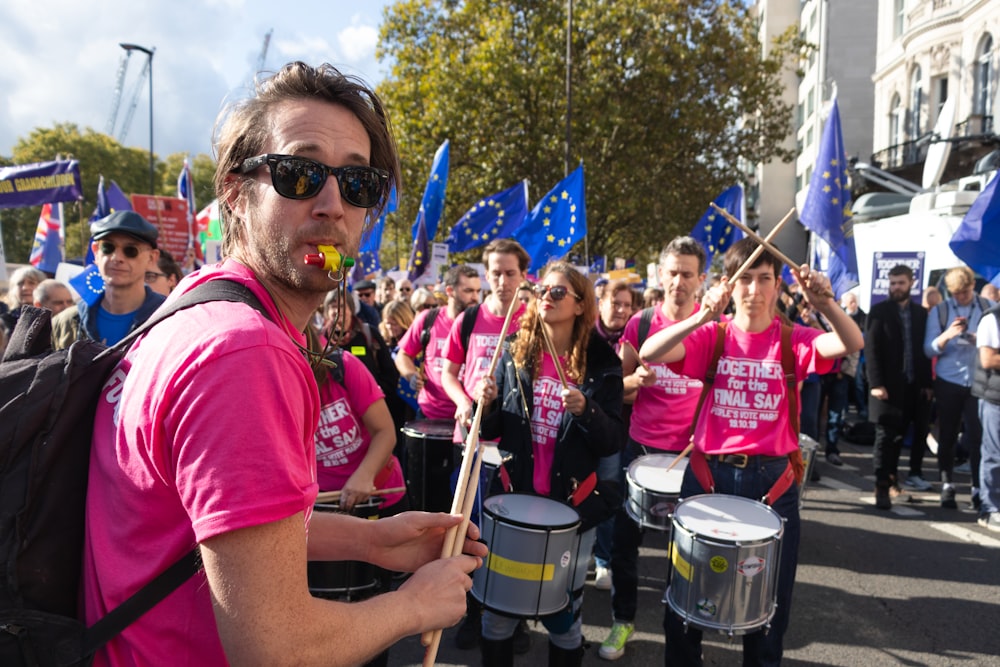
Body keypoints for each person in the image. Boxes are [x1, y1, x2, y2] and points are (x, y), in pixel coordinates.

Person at [81, 61, 485, 666]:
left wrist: (371, 540)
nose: (332, 206)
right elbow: (275, 650)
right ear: (235, 193)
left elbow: (217, 531)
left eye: (359, 185)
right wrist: (414, 607)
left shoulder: (199, 305)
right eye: (299, 173)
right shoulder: (246, 352)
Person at [640, 238, 863, 667]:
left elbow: (850, 342)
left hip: (772, 482)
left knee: (767, 612)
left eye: (765, 280)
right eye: (745, 280)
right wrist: (705, 312)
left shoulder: (792, 339)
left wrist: (826, 303)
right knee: (686, 601)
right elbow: (651, 352)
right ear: (729, 285)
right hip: (708, 479)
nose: (754, 291)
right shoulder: (713, 334)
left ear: (778, 286)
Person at [476, 261, 625, 667]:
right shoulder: (515, 351)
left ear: (580, 305)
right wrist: (485, 403)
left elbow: (612, 440)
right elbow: (492, 430)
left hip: (571, 508)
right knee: (499, 618)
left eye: (558, 292)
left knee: (565, 621)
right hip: (514, 504)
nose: (546, 296)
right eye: (542, 289)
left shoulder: (601, 361)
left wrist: (586, 410)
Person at [600, 237, 707, 661]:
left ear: (701, 279)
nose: (678, 281)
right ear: (660, 275)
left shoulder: (713, 327)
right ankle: (622, 621)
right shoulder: (641, 324)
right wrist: (631, 385)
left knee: (686, 553)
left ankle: (681, 632)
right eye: (672, 272)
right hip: (641, 452)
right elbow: (615, 389)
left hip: (694, 458)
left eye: (687, 273)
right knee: (626, 546)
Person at [440, 237, 529, 651]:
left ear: (523, 275)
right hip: (472, 439)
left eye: (510, 272)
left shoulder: (531, 321)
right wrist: (463, 401)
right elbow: (449, 372)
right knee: (469, 530)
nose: (502, 280)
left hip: (512, 442)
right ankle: (469, 612)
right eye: (495, 271)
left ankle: (515, 615)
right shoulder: (470, 319)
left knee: (510, 534)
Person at [924, 267, 994, 508]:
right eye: (955, 294)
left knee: (977, 436)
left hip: (977, 379)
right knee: (948, 434)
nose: (960, 298)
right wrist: (947, 335)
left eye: (963, 293)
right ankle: (947, 483)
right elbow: (929, 348)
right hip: (949, 379)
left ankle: (977, 487)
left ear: (972, 286)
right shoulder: (941, 310)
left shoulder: (987, 307)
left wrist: (978, 339)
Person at [866, 264, 934, 508]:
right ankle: (881, 485)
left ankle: (894, 481)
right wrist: (876, 383)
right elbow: (871, 349)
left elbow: (924, 351)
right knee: (885, 437)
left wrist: (927, 383)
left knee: (903, 435)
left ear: (911, 283)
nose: (896, 288)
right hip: (886, 387)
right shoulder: (879, 311)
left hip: (913, 386)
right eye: (892, 283)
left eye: (900, 283)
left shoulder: (921, 314)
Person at [51, 211, 166, 348]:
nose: (117, 258)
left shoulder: (169, 318)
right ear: (96, 252)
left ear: (152, 258)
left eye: (131, 250)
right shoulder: (66, 323)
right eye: (108, 248)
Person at [396, 264, 481, 421]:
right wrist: (411, 375)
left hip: (471, 415)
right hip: (431, 414)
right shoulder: (429, 319)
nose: (475, 297)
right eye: (468, 291)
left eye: (477, 291)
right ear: (449, 291)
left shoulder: (482, 322)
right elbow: (403, 355)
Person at [591, 279, 634, 593]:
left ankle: (603, 560)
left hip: (615, 434)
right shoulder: (583, 336)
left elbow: (628, 395)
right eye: (615, 303)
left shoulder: (635, 341)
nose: (621, 310)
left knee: (607, 498)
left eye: (627, 305)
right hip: (580, 430)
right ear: (600, 304)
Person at [324, 288, 408, 437]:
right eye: (333, 306)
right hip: (339, 419)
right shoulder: (320, 341)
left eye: (343, 306)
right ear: (326, 311)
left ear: (351, 309)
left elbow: (390, 373)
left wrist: (375, 395)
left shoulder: (368, 334)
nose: (338, 310)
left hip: (373, 413)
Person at [973, 300, 1000, 532]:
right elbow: (988, 359)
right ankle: (989, 508)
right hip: (995, 398)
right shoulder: (992, 319)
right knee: (994, 455)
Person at [0, 266, 46, 334]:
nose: (25, 288)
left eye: (31, 283)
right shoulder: (4, 322)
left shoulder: (50, 318)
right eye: (20, 283)